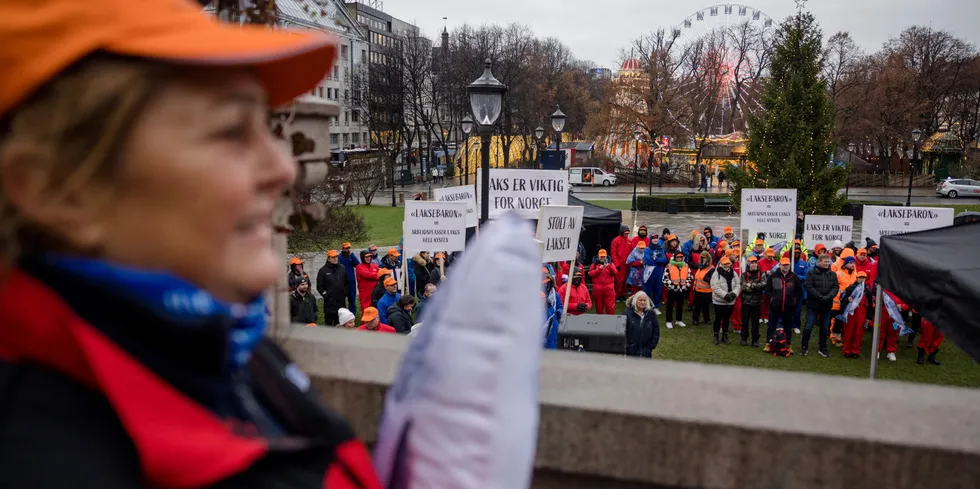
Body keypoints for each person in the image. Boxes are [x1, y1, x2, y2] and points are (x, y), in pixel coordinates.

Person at [0, 3, 382, 486]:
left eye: (265, 126)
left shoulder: (210, 341)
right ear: (56, 188)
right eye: (229, 131)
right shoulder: (55, 458)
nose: (282, 169)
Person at [801, 253, 839, 358]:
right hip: (813, 305)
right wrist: (819, 296)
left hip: (827, 305)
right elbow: (808, 286)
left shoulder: (832, 274)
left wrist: (828, 296)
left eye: (828, 262)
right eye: (825, 262)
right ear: (819, 262)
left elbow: (836, 287)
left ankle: (822, 348)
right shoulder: (811, 273)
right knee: (808, 326)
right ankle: (804, 347)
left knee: (824, 328)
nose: (827, 264)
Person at [765, 258, 803, 347]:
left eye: (787, 265)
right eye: (784, 264)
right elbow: (767, 290)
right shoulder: (773, 276)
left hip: (788, 307)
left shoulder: (794, 277)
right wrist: (772, 299)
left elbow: (799, 291)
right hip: (775, 307)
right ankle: (768, 343)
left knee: (788, 327)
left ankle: (788, 345)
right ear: (780, 265)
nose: (786, 266)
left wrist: (794, 301)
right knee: (771, 327)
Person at [839, 271, 874, 359]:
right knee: (848, 333)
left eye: (864, 278)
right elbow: (842, 300)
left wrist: (869, 318)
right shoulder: (850, 288)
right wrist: (847, 299)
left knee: (858, 334)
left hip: (862, 315)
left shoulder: (868, 290)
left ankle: (855, 351)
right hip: (850, 314)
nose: (862, 279)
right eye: (860, 277)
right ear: (857, 278)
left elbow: (870, 306)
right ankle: (846, 350)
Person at [710, 256, 740, 345]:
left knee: (726, 319)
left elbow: (738, 285)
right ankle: (716, 336)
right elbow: (715, 287)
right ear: (721, 265)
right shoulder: (716, 274)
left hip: (730, 301)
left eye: (728, 264)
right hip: (719, 301)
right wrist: (725, 295)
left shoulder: (734, 273)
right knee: (718, 319)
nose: (727, 266)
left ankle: (724, 336)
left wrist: (734, 294)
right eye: (725, 264)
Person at [316, 249, 349, 326]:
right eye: (333, 257)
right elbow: (319, 286)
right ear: (328, 258)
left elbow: (347, 282)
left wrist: (345, 292)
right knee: (329, 324)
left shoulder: (342, 268)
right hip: (329, 303)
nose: (335, 259)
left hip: (341, 301)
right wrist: (326, 295)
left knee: (341, 322)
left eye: (336, 257)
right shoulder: (323, 270)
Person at [831, 256, 858, 347]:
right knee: (837, 321)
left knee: (846, 321)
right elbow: (833, 287)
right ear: (845, 264)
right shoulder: (838, 273)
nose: (852, 265)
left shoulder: (855, 275)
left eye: (854, 263)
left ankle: (844, 338)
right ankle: (836, 339)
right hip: (838, 301)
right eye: (850, 263)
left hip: (850, 302)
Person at [740, 256, 766, 347]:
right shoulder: (743, 275)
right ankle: (744, 338)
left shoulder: (761, 274)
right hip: (746, 303)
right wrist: (755, 287)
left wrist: (750, 285)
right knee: (744, 322)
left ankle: (755, 340)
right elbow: (743, 287)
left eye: (755, 262)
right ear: (748, 264)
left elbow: (763, 285)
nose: (754, 264)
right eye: (752, 263)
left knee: (755, 323)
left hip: (757, 303)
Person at [624, 292, 661, 358]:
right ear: (635, 300)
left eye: (644, 300)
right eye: (640, 300)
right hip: (630, 353)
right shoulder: (626, 313)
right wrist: (627, 347)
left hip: (646, 353)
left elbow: (656, 330)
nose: (642, 302)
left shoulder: (651, 314)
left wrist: (651, 345)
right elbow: (622, 332)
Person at [662, 252, 692, 329]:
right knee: (670, 306)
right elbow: (665, 278)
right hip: (672, 290)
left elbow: (690, 277)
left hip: (682, 290)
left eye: (681, 257)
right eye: (678, 257)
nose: (679, 259)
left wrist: (686, 285)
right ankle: (668, 321)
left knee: (680, 305)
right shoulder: (669, 266)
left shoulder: (686, 265)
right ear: (675, 257)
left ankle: (679, 320)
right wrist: (671, 286)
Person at [643, 236, 668, 315]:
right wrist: (657, 261)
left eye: (656, 238)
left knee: (658, 290)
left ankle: (655, 307)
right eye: (653, 238)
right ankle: (646, 306)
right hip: (650, 273)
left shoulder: (660, 249)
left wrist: (656, 259)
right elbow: (647, 260)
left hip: (659, 272)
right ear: (651, 240)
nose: (655, 239)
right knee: (648, 290)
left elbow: (664, 260)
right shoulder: (647, 249)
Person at [589, 249, 618, 315]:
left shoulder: (610, 264)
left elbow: (616, 273)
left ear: (606, 256)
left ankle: (610, 320)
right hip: (597, 288)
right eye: (601, 256)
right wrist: (598, 269)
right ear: (598, 256)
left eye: (604, 256)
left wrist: (609, 267)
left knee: (610, 306)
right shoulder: (594, 265)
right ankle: (600, 321)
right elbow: (590, 274)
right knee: (599, 307)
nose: (602, 258)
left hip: (609, 288)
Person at [692, 251, 714, 326]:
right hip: (697, 290)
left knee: (705, 307)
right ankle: (695, 319)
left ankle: (706, 319)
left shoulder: (711, 269)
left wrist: (705, 278)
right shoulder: (700, 267)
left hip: (706, 291)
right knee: (696, 307)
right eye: (702, 258)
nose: (703, 260)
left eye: (704, 258)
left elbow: (712, 280)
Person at [610, 225, 632, 300]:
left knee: (625, 280)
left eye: (627, 233)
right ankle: (617, 295)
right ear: (621, 232)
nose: (626, 235)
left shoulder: (629, 241)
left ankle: (623, 294)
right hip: (619, 265)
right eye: (625, 233)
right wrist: (616, 264)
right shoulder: (616, 240)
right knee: (619, 280)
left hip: (627, 264)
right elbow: (613, 253)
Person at [338, 242, 360, 312]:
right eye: (346, 248)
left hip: (351, 282)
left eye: (349, 248)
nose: (348, 250)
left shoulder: (351, 256)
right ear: (343, 249)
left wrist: (352, 255)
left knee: (352, 301)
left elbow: (358, 265)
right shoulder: (339, 258)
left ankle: (352, 315)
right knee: (341, 301)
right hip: (342, 283)